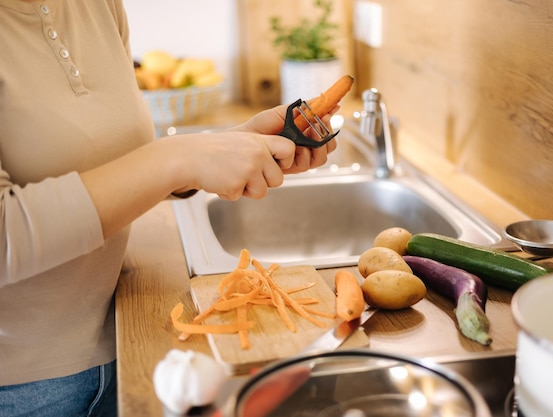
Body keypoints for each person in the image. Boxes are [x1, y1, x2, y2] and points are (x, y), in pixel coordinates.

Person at [0, 1, 338, 416]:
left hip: (122, 333)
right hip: (23, 389)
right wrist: (176, 158)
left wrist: (220, 149)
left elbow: (114, 163)